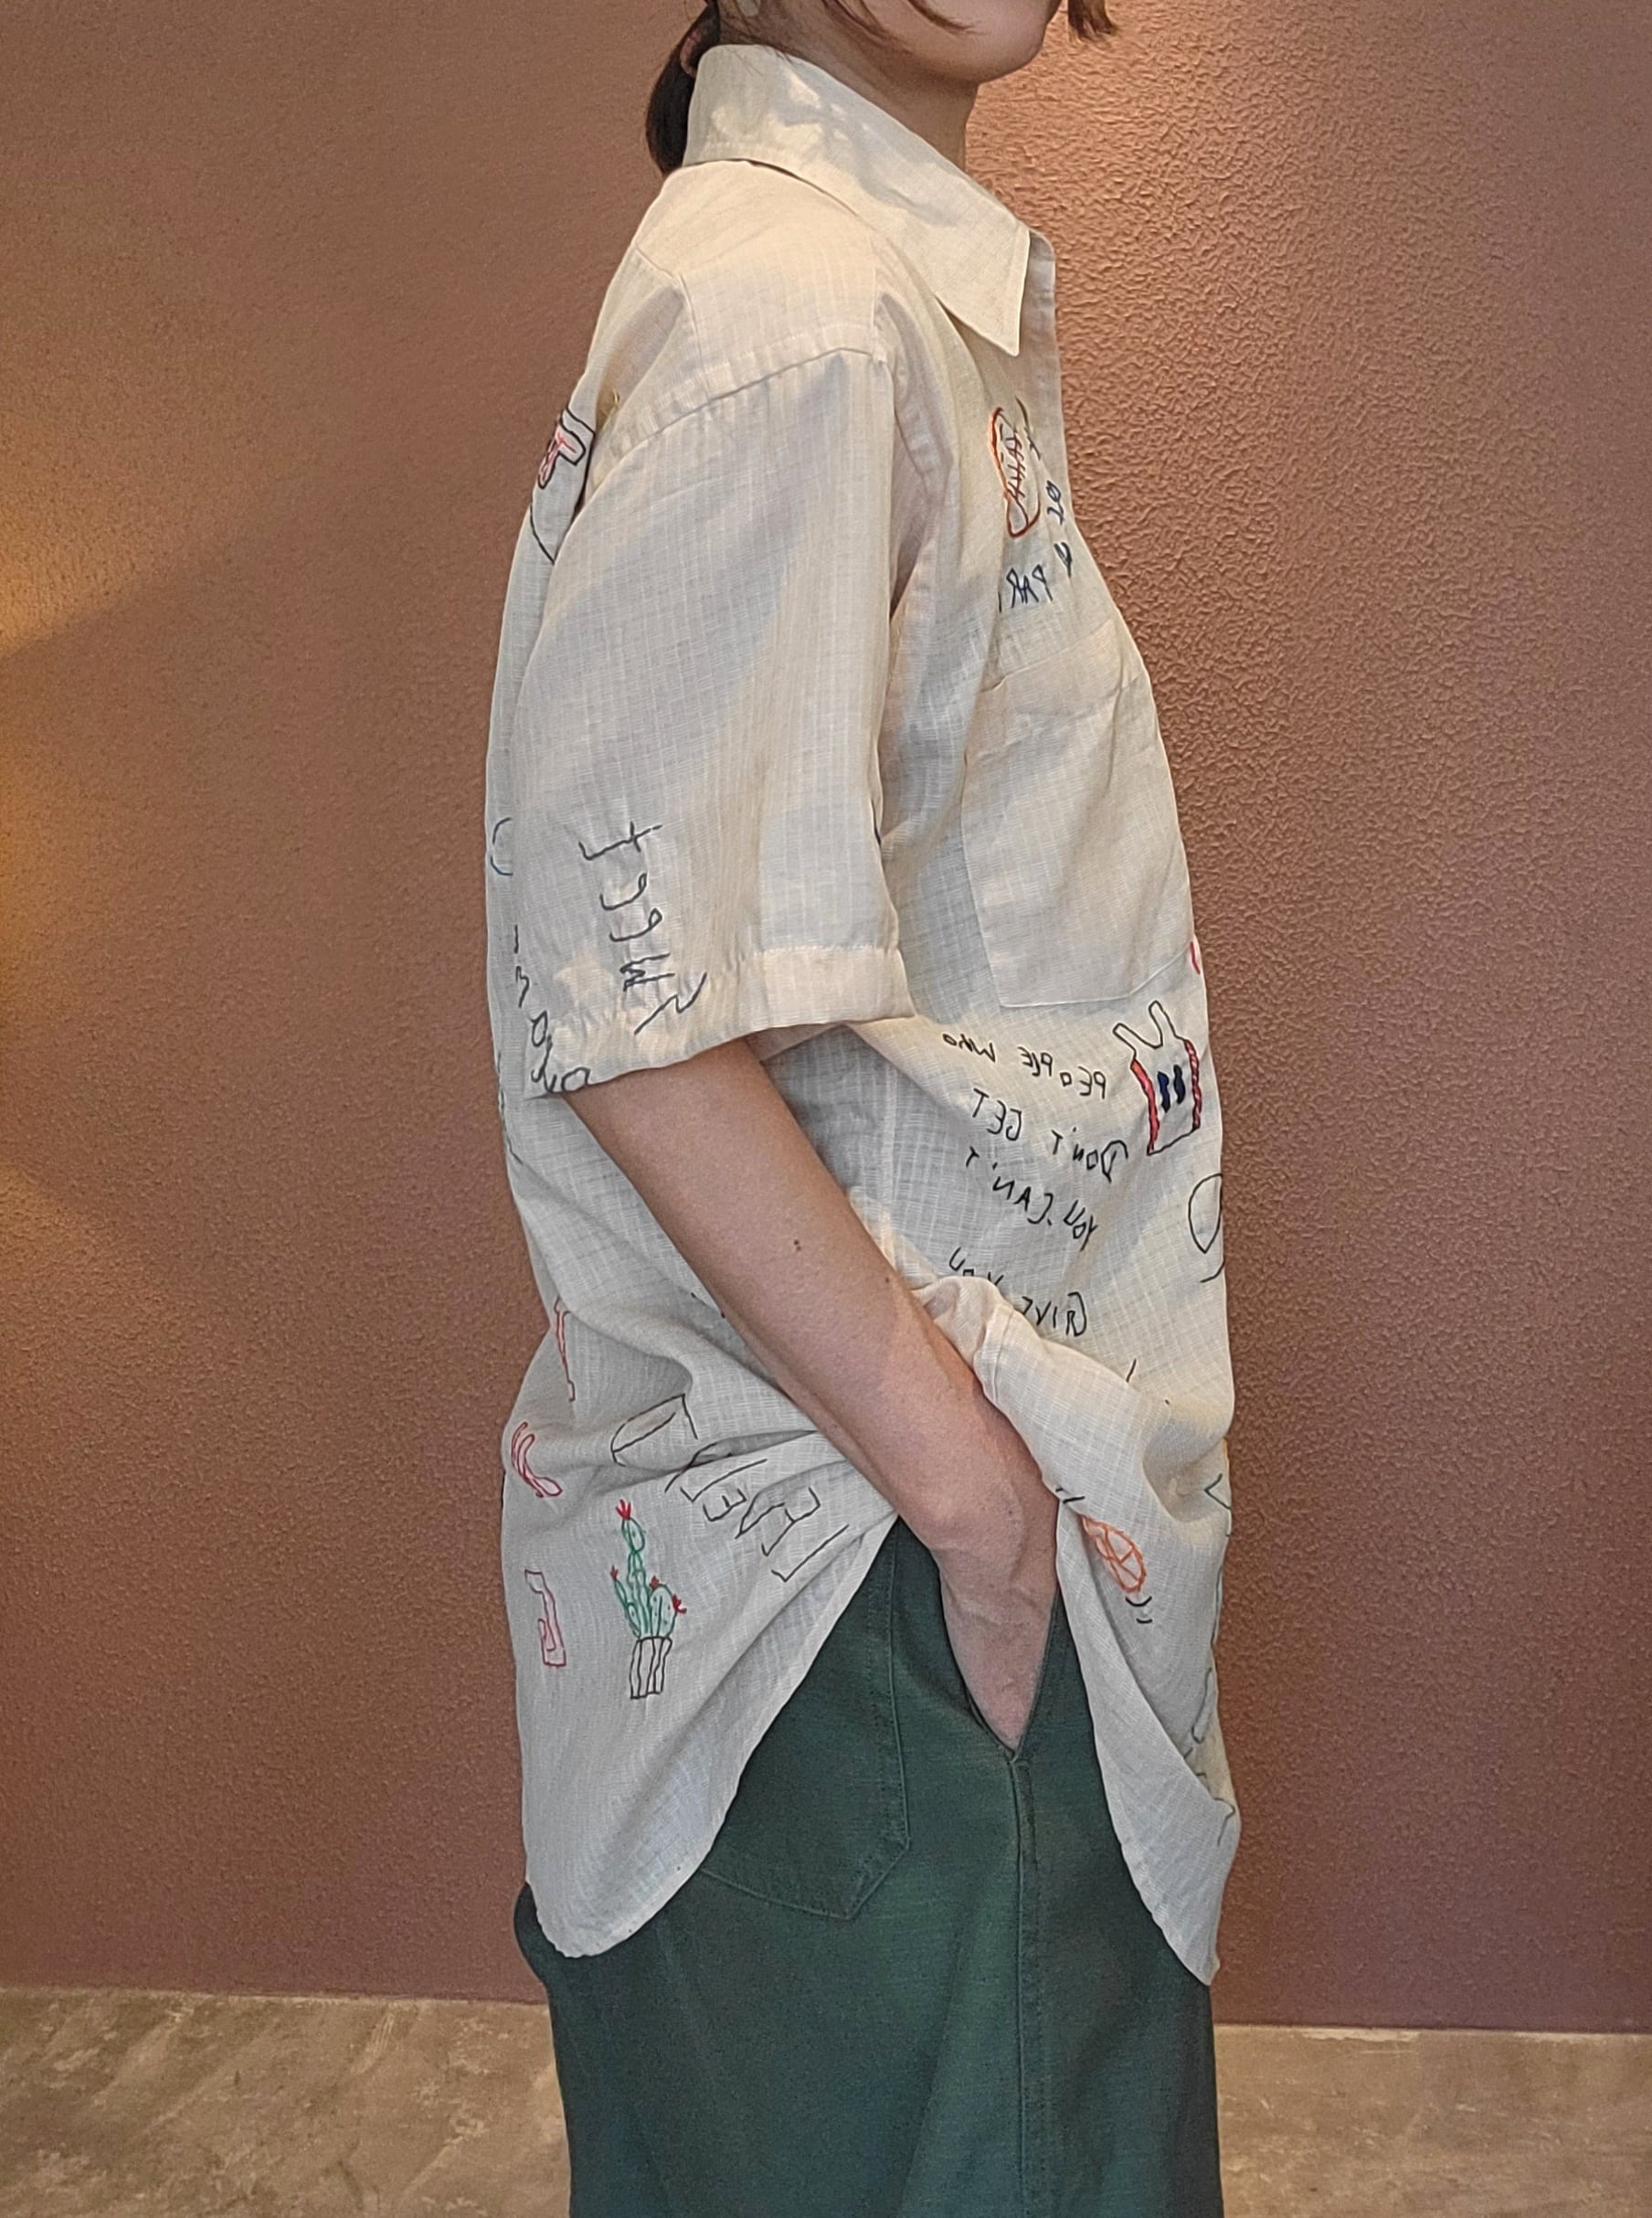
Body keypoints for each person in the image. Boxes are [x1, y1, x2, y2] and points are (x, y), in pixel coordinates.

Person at [483, 2, 1240, 2210]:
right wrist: (980, 1510)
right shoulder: (801, 312)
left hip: (876, 1556)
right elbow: (638, 1010)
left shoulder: (854, 291)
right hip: (876, 1570)